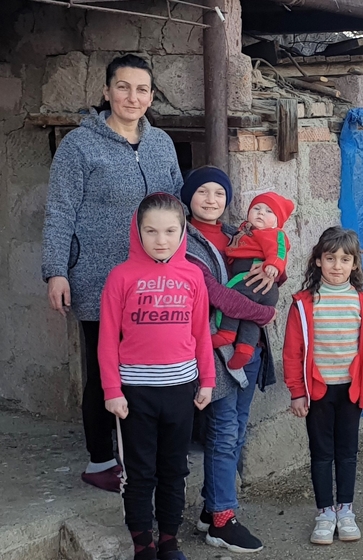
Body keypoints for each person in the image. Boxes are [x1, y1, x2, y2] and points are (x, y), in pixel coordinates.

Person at [42, 54, 183, 493]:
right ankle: (101, 459)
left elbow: (177, 204)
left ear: (151, 96)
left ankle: (139, 455)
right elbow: (60, 211)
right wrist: (56, 271)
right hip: (97, 276)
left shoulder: (161, 143)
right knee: (107, 367)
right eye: (123, 87)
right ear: (107, 91)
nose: (132, 97)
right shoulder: (79, 146)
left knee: (145, 368)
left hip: (154, 280)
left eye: (141, 89)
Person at [98, 193, 214, 560]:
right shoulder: (121, 277)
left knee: (174, 469)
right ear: (138, 231)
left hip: (180, 390)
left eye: (169, 231)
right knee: (139, 472)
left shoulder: (193, 276)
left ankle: (168, 541)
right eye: (151, 231)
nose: (160, 240)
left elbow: (201, 332)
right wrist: (112, 390)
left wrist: (207, 380)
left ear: (182, 232)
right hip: (135, 394)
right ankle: (143, 545)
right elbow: (107, 338)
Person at [181, 166, 274, 553]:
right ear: (188, 197)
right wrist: (263, 312)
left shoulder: (241, 235)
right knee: (222, 431)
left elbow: (270, 273)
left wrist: (272, 271)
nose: (211, 199)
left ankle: (211, 508)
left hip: (249, 348)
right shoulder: (184, 242)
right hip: (213, 349)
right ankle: (222, 520)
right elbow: (212, 293)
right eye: (202, 191)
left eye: (219, 193)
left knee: (236, 429)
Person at [282, 227, 363, 545]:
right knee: (321, 453)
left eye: (344, 259)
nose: (337, 265)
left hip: (351, 391)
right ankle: (325, 513)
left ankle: (346, 510)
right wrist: (297, 392)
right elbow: (292, 352)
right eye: (330, 258)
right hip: (318, 392)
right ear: (318, 261)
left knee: (347, 452)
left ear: (355, 264)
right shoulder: (303, 303)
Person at [212, 192, 295, 370]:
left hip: (253, 279)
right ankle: (245, 348)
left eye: (268, 211)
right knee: (251, 318)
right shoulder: (244, 232)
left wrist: (272, 266)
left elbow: (280, 250)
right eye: (256, 208)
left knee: (232, 295)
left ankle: (227, 331)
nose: (261, 213)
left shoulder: (274, 233)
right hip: (260, 286)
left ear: (277, 222)